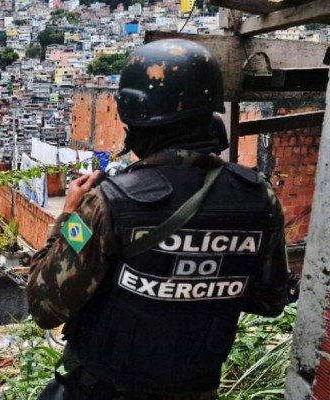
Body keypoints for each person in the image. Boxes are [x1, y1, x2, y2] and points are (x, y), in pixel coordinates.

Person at [27, 39, 288, 400]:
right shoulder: (259, 198)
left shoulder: (107, 203)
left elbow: (44, 304)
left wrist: (69, 213)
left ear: (136, 117)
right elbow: (271, 300)